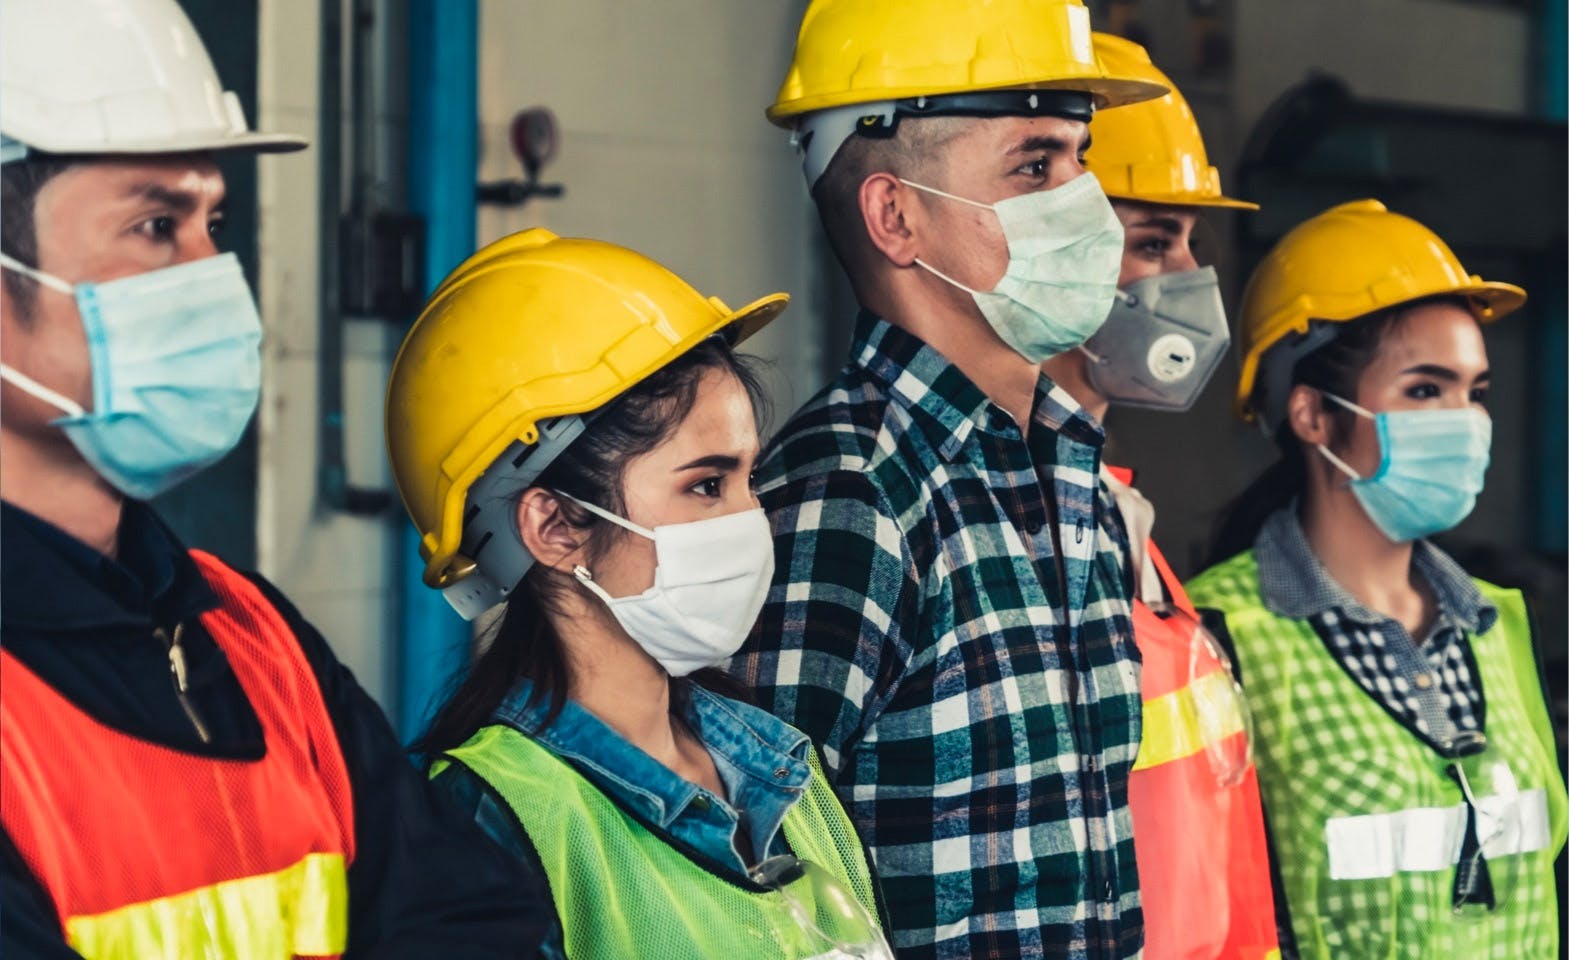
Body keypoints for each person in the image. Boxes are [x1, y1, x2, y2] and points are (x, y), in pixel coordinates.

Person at [0, 1, 550, 956]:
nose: (216, 273)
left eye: (214, 220)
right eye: (155, 223)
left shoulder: (250, 634)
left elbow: (467, 922)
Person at [728, 2, 1170, 956]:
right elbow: (764, 887)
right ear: (895, 216)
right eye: (1035, 165)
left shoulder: (1070, 474)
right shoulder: (846, 496)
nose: (1085, 204)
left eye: (1080, 161)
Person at [387, 228, 890, 960]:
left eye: (748, 479)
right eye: (706, 486)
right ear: (554, 525)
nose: (751, 520)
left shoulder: (780, 769)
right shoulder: (490, 825)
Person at [1186, 199, 1568, 958]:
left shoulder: (1495, 622)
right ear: (1311, 416)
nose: (1464, 420)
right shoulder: (1213, 635)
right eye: (1424, 390)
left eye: (1474, 391)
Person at [1039, 34, 1283, 960]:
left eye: (1188, 242)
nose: (1184, 279)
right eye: (1150, 241)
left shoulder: (1115, 511)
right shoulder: (1012, 517)